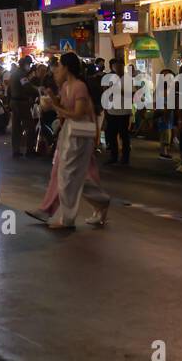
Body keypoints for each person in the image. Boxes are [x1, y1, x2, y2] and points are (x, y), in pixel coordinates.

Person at [44, 53, 111, 229]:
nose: (57, 69)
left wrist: (55, 106)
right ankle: (102, 201)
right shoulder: (66, 85)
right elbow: (64, 110)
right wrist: (53, 99)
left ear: (66, 67)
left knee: (67, 176)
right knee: (75, 176)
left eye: (59, 65)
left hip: (80, 135)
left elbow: (78, 113)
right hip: (69, 133)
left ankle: (67, 219)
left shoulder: (79, 86)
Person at [104, 56, 131, 166]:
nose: (118, 68)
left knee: (124, 136)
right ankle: (113, 156)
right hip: (112, 111)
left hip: (124, 112)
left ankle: (125, 158)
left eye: (120, 66)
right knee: (112, 135)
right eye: (116, 67)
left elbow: (131, 94)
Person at [8, 56, 35, 157]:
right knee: (30, 126)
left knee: (16, 127)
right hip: (21, 103)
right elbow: (27, 87)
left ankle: (16, 150)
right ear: (25, 64)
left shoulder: (15, 73)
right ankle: (30, 150)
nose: (30, 66)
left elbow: (9, 89)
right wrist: (38, 91)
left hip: (14, 102)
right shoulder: (21, 75)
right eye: (29, 64)